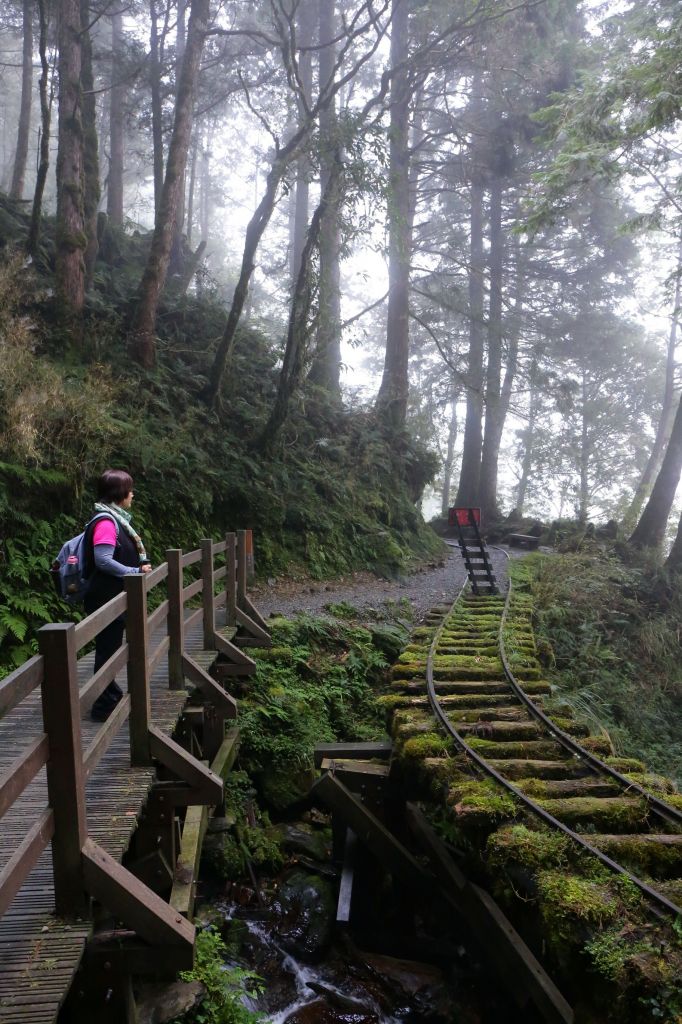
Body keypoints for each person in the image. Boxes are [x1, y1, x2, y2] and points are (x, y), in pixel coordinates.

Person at [84, 469, 152, 721]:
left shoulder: (115, 519)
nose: (132, 494)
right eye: (130, 490)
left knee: (109, 649)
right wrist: (134, 570)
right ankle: (103, 706)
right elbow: (103, 561)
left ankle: (109, 697)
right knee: (107, 650)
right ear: (120, 493)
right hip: (105, 597)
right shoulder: (105, 522)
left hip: (112, 596)